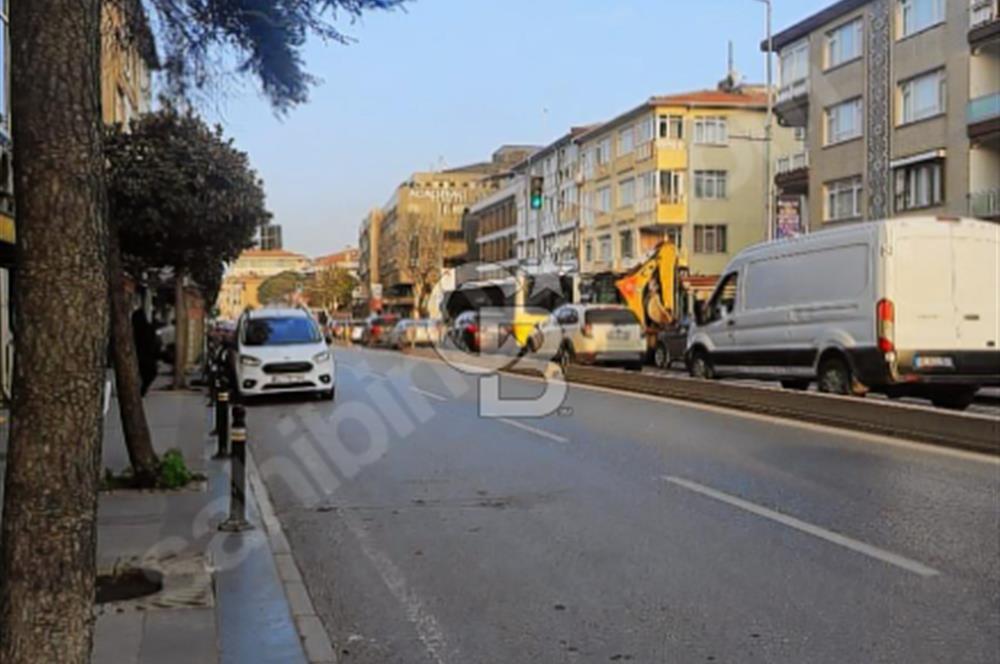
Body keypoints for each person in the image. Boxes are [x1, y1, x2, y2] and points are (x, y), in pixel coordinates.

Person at [132, 308, 160, 396]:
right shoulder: (149, 328)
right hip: (148, 355)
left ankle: (139, 389)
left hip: (138, 355)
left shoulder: (133, 329)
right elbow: (154, 342)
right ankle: (142, 389)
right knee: (150, 373)